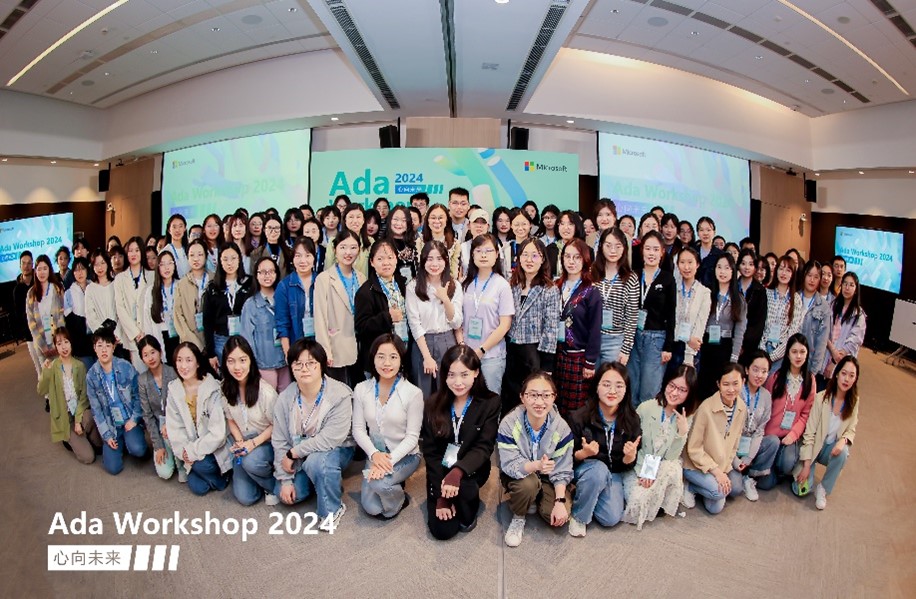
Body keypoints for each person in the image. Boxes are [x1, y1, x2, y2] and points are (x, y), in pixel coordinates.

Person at [272, 339, 355, 527]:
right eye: (298, 364)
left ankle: (332, 510)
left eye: (311, 363)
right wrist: (285, 480)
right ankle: (325, 482)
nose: (304, 369)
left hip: (336, 449)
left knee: (317, 463)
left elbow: (330, 439)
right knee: (291, 494)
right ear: (291, 367)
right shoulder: (286, 397)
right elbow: (279, 440)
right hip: (301, 455)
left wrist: (293, 453)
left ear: (322, 365)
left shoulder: (339, 394)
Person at [421, 345, 500, 540]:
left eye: (464, 375)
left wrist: (457, 473)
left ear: (476, 373)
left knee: (465, 516)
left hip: (472, 468)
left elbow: (484, 447)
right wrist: (440, 496)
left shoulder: (490, 402)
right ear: (444, 376)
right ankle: (451, 495)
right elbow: (431, 453)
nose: (458, 382)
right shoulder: (432, 404)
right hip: (442, 468)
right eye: (451, 375)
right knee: (443, 531)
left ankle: (466, 497)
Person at [498, 372, 574, 547]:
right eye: (532, 395)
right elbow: (509, 465)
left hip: (548, 477)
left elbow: (562, 469)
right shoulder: (509, 423)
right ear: (522, 397)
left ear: (554, 397)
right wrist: (536, 465)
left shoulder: (562, 428)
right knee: (527, 486)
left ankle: (537, 497)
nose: (539, 402)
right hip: (521, 475)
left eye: (546, 395)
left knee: (555, 516)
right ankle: (519, 516)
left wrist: (559, 501)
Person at [352, 334, 423, 519]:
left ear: (401, 360)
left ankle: (399, 500)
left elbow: (412, 438)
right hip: (376, 454)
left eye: (393, 357)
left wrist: (388, 463)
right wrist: (374, 455)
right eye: (381, 356)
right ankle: (393, 483)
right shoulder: (361, 389)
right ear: (373, 358)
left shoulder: (413, 393)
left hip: (405, 455)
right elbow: (358, 429)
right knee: (371, 508)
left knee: (381, 487)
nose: (387, 363)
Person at [567, 362, 642, 536]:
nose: (612, 391)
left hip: (613, 472)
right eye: (606, 384)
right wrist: (583, 454)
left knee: (610, 518)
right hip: (585, 470)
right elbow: (566, 459)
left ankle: (586, 492)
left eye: (619, 386)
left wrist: (629, 458)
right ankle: (579, 517)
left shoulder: (632, 419)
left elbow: (626, 464)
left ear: (626, 389)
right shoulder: (579, 417)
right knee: (598, 471)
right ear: (596, 387)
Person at [622, 365, 694, 530]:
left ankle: (657, 499)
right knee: (637, 504)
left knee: (672, 468)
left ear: (689, 393)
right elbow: (635, 445)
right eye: (672, 386)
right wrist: (646, 472)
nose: (674, 393)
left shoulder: (686, 416)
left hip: (660, 467)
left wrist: (682, 433)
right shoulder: (646, 407)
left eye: (682, 390)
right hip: (638, 464)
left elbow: (671, 457)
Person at [792, 355, 859, 510]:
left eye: (851, 376)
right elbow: (809, 434)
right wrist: (806, 466)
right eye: (844, 373)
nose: (846, 379)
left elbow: (851, 429)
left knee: (844, 452)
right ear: (837, 374)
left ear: (855, 379)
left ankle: (823, 488)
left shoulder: (854, 401)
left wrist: (843, 440)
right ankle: (803, 468)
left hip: (830, 449)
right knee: (800, 491)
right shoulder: (821, 398)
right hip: (813, 448)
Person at [166, 342, 231, 495]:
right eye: (179, 360)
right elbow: (175, 427)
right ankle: (211, 477)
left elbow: (218, 434)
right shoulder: (174, 389)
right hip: (191, 449)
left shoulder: (213, 388)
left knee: (202, 466)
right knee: (198, 488)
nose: (183, 366)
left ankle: (222, 478)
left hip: (214, 448)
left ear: (198, 363)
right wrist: (185, 452)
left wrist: (193, 451)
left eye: (188, 360)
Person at [682, 363, 748, 515]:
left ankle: (704, 488)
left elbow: (735, 442)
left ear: (743, 382)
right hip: (695, 465)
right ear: (718, 384)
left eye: (735, 383)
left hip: (721, 464)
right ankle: (690, 485)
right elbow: (694, 449)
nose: (731, 389)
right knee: (719, 493)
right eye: (726, 384)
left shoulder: (741, 407)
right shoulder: (706, 408)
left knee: (733, 491)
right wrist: (717, 473)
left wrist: (725, 468)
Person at [221, 336, 279, 506]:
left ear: (250, 360)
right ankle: (256, 475)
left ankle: (272, 486)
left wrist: (253, 444)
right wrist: (240, 442)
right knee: (246, 498)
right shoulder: (224, 388)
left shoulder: (265, 391)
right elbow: (230, 419)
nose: (237, 367)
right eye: (231, 361)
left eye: (242, 360)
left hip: (266, 442)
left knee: (251, 461)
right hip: (244, 442)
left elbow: (277, 425)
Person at [504, 238, 559, 413]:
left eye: (535, 255)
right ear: (518, 258)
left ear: (543, 259)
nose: (529, 260)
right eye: (525, 255)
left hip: (534, 353)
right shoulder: (512, 285)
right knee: (511, 400)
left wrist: (547, 366)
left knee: (533, 399)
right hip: (511, 351)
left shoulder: (549, 289)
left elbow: (551, 329)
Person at [756, 334, 817, 491]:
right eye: (794, 352)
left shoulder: (810, 381)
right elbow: (765, 407)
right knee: (765, 484)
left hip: (789, 436)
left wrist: (794, 434)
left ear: (807, 354)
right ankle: (771, 469)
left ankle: (779, 469)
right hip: (771, 436)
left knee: (787, 463)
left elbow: (806, 414)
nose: (798, 356)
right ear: (788, 354)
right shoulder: (775, 378)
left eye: (802, 352)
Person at [86, 326, 148, 475]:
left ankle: (131, 438)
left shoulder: (125, 367)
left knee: (138, 449)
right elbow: (96, 410)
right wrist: (106, 435)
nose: (104, 350)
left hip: (128, 420)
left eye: (108, 345)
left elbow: (137, 396)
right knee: (113, 468)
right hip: (111, 424)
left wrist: (134, 419)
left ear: (113, 347)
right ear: (94, 348)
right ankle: (120, 442)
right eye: (100, 345)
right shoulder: (91, 376)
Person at [406, 240, 463, 398]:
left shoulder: (454, 285)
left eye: (439, 258)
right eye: (430, 259)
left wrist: (445, 299)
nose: (434, 264)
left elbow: (457, 322)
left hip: (447, 341)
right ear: (423, 261)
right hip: (422, 343)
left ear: (446, 260)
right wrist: (427, 357)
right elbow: (414, 324)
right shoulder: (413, 287)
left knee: (447, 393)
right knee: (423, 393)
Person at [553, 238, 602, 418]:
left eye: (577, 257)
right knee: (554, 403)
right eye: (567, 256)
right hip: (556, 355)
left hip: (578, 358)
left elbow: (595, 329)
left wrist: (590, 361)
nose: (571, 262)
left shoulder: (591, 291)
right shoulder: (555, 286)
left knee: (574, 410)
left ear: (585, 260)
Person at [38, 328, 102, 463]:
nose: (64, 347)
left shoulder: (79, 365)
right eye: (59, 343)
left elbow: (84, 397)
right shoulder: (53, 367)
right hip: (65, 418)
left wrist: (78, 421)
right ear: (55, 347)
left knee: (93, 426)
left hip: (80, 412)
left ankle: (85, 434)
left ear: (71, 343)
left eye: (66, 342)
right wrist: (46, 372)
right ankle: (70, 438)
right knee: (88, 457)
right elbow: (41, 390)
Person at [461, 234, 514, 395]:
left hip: (491, 356)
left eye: (488, 251)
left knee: (489, 401)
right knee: (466, 398)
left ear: (497, 254)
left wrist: (481, 350)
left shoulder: (502, 285)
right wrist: (463, 346)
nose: (483, 255)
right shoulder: (465, 283)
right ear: (472, 254)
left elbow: (505, 325)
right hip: (466, 354)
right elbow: (459, 320)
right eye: (478, 251)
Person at [627, 231, 676, 405]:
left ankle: (647, 422)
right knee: (631, 388)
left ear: (662, 252)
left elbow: (671, 314)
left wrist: (668, 346)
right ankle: (631, 422)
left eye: (656, 249)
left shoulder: (668, 279)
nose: (651, 253)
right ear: (642, 251)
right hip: (633, 337)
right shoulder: (633, 275)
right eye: (648, 248)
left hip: (656, 339)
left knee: (649, 391)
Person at [314, 230, 367, 386]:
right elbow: (320, 318)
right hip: (336, 346)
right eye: (343, 247)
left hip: (359, 345)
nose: (348, 252)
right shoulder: (324, 278)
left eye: (353, 247)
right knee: (338, 392)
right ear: (335, 249)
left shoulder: (361, 277)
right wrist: (325, 350)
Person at [355, 240, 410, 375]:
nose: (386, 263)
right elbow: (361, 327)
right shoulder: (366, 291)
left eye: (390, 258)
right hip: (378, 359)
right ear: (372, 262)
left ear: (396, 259)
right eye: (380, 259)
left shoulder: (403, 284)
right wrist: (387, 317)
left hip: (403, 351)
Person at [697, 253, 747, 399]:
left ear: (733, 271)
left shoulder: (738, 299)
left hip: (725, 346)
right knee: (704, 388)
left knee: (721, 389)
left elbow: (740, 331)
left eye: (726, 268)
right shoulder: (707, 294)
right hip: (707, 345)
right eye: (719, 267)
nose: (722, 272)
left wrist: (734, 357)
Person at [729, 350, 775, 502]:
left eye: (764, 371)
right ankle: (736, 473)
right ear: (747, 370)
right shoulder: (736, 391)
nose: (759, 375)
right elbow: (726, 431)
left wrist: (748, 459)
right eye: (755, 369)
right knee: (734, 489)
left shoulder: (766, 396)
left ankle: (749, 478)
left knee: (773, 441)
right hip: (731, 446)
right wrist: (736, 460)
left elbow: (759, 431)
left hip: (750, 446)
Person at [240, 257, 289, 392]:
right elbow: (247, 338)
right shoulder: (251, 304)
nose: (267, 275)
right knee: (268, 398)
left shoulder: (283, 298)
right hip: (264, 364)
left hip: (285, 361)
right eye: (262, 272)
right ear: (256, 275)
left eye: (271, 271)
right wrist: (253, 363)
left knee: (286, 398)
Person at [592, 227, 639, 368]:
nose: (613, 250)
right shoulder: (592, 273)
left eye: (618, 246)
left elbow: (632, 316)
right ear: (601, 246)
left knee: (610, 377)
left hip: (615, 340)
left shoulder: (630, 278)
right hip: (591, 337)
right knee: (590, 379)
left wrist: (626, 349)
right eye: (608, 245)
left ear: (624, 248)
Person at [202, 242, 253, 371]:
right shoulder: (213, 287)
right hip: (221, 340)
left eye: (233, 258)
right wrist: (211, 353)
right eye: (225, 259)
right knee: (226, 376)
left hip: (245, 338)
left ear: (239, 259)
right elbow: (207, 321)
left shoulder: (249, 283)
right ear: (220, 261)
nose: (229, 263)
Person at [137, 335, 179, 480]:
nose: (150, 358)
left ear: (160, 352)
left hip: (177, 424)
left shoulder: (173, 372)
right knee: (165, 473)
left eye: (153, 352)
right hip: (159, 429)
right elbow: (147, 416)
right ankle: (168, 451)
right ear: (142, 358)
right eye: (145, 355)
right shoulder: (142, 380)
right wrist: (158, 445)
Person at [669, 246, 710, 374]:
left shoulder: (704, 293)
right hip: (671, 346)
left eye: (690, 262)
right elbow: (669, 321)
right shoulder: (671, 288)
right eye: (682, 262)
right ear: (677, 265)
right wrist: (686, 337)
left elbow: (700, 324)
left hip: (691, 350)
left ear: (697, 264)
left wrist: (689, 354)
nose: (686, 267)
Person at [275, 237, 318, 359]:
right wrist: (288, 353)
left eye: (307, 255)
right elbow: (282, 324)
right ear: (293, 258)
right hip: (296, 343)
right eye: (298, 256)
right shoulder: (284, 286)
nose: (302, 260)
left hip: (319, 344)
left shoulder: (322, 281)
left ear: (314, 258)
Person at [113, 237, 151, 372]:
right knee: (138, 373)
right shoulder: (120, 279)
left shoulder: (151, 275)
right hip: (132, 335)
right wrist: (136, 333)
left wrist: (145, 331)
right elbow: (120, 308)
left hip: (149, 331)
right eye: (130, 251)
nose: (133, 254)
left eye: (137, 250)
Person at [25, 255, 65, 380]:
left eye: (45, 268)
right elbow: (31, 323)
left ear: (49, 270)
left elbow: (61, 317)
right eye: (39, 269)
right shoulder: (31, 293)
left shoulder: (57, 289)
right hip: (41, 346)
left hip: (58, 343)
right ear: (35, 271)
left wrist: (56, 343)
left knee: (62, 379)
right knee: (48, 380)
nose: (42, 272)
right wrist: (43, 346)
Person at [138, 249, 181, 365]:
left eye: (170, 263)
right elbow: (147, 320)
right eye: (162, 264)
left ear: (174, 265)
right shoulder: (151, 291)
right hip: (160, 335)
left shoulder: (181, 286)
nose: (166, 268)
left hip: (179, 334)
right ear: (158, 267)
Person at [761, 255, 803, 371]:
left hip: (782, 353)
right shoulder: (766, 293)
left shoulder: (796, 299)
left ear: (793, 274)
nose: (784, 273)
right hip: (762, 348)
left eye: (788, 270)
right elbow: (760, 325)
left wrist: (773, 356)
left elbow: (793, 333)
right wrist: (762, 351)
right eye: (781, 268)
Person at [823, 272, 866, 380]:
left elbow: (853, 343)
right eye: (845, 283)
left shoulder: (858, 315)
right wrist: (832, 350)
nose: (847, 288)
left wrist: (834, 361)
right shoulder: (832, 305)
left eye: (851, 285)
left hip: (842, 365)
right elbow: (824, 330)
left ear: (856, 289)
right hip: (824, 356)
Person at [798, 261, 831, 390]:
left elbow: (822, 342)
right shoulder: (794, 297)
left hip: (808, 363)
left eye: (816, 277)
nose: (812, 280)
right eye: (809, 275)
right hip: (788, 358)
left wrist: (813, 371)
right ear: (804, 275)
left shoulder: (824, 307)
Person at [173, 239, 209, 351]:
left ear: (206, 256)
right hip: (189, 343)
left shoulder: (214, 280)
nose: (196, 259)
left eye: (200, 254)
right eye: (192, 255)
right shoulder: (181, 284)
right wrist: (194, 344)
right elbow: (178, 316)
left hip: (212, 341)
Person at [63, 257, 95, 371]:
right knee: (89, 372)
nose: (79, 273)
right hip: (81, 343)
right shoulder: (68, 293)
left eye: (82, 269)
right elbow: (69, 322)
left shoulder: (95, 287)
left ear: (87, 270)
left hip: (97, 338)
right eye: (76, 270)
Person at [326, 204, 373, 277]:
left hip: (363, 283)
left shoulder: (370, 241)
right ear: (345, 220)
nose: (355, 221)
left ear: (363, 220)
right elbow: (328, 267)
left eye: (358, 217)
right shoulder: (333, 241)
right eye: (351, 217)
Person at [737, 249, 767, 364]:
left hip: (749, 347)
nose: (747, 267)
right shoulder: (732, 286)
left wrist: (743, 344)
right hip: (730, 342)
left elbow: (759, 323)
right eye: (743, 263)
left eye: (750, 264)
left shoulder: (760, 290)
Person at [418, 204, 460, 280]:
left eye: (440, 218)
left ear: (447, 220)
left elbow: (454, 272)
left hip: (446, 283)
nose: (437, 221)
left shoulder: (455, 244)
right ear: (427, 220)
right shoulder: (420, 242)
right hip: (424, 283)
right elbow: (419, 267)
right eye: (433, 218)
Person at [545, 211, 585, 279]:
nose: (566, 228)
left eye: (570, 224)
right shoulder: (550, 249)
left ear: (577, 226)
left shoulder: (585, 250)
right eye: (562, 224)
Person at [250, 213, 290, 279]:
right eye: (269, 228)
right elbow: (254, 278)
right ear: (264, 229)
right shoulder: (256, 253)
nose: (273, 231)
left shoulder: (289, 252)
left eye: (276, 228)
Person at [386, 205, 419, 282]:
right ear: (390, 220)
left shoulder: (415, 243)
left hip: (414, 287)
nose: (399, 223)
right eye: (395, 219)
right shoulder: (383, 245)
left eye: (404, 220)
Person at [458, 208, 492, 279]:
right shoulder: (462, 247)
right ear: (468, 226)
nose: (479, 226)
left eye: (483, 222)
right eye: (475, 222)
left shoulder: (494, 246)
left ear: (488, 226)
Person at [694, 217, 724, 289]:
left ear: (714, 232)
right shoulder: (692, 252)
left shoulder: (720, 255)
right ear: (697, 233)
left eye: (708, 230)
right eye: (701, 230)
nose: (705, 233)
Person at [12, 251, 34, 346]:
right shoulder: (17, 290)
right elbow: (18, 313)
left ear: (32, 265)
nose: (26, 266)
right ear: (20, 266)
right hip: (29, 331)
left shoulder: (39, 283)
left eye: (29, 263)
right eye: (23, 263)